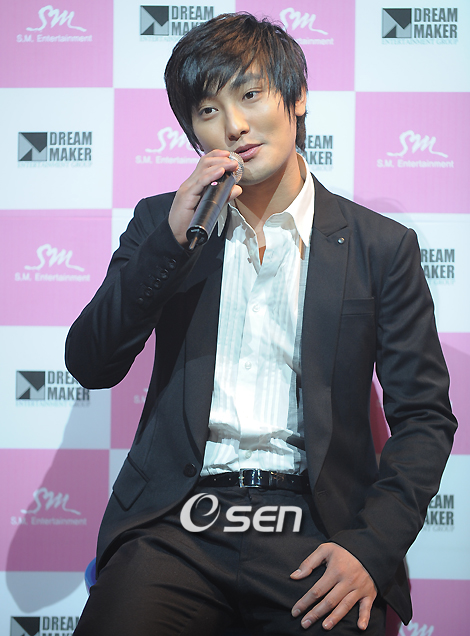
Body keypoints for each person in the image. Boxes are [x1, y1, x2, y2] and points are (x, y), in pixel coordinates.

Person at [66, 13, 456, 636]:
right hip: (177, 526)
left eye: (250, 95)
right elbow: (91, 362)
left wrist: (370, 548)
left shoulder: (380, 246)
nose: (234, 125)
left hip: (316, 531)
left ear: (297, 99)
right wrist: (171, 242)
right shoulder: (164, 225)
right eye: (208, 110)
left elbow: (425, 417)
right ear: (193, 133)